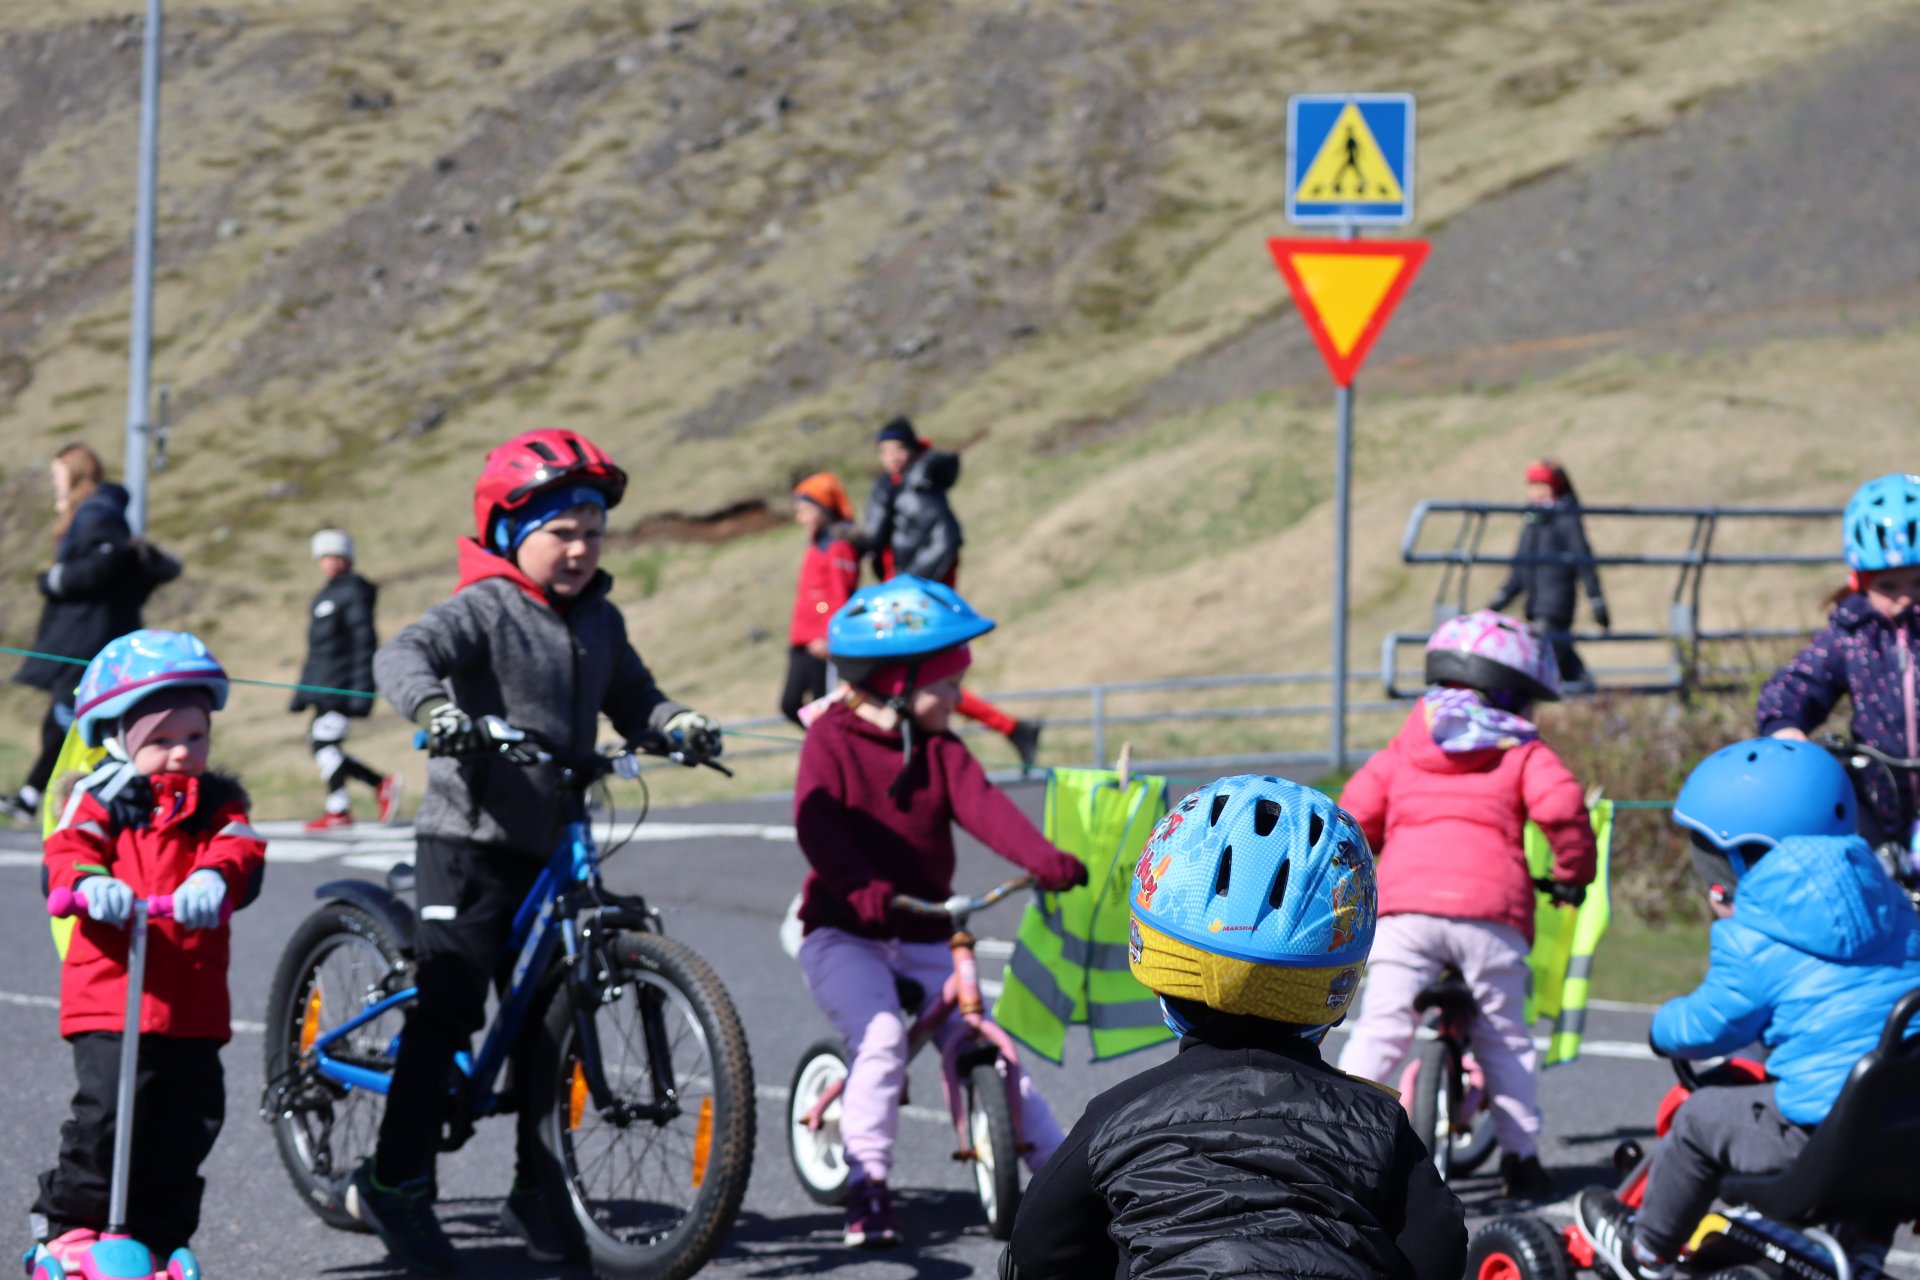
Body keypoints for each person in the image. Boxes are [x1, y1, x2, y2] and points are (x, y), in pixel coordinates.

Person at [346, 427, 726, 1276]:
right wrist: (438, 712)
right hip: (468, 840)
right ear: (513, 534)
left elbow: (636, 697)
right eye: (562, 533)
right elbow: (405, 653)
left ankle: (537, 1183)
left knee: (552, 1016)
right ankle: (394, 1181)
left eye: (594, 531)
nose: (581, 548)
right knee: (448, 1006)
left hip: (555, 841)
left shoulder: (601, 619)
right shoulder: (485, 606)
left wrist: (677, 724)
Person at [1003, 774, 1467, 1280]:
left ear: (1156, 952)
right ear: (1337, 970)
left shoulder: (1118, 1115)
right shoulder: (1376, 1121)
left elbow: (1034, 1250)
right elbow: (1439, 1250)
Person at [794, 575, 1088, 1248]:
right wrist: (856, 884)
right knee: (882, 1039)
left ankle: (1065, 1180)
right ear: (895, 682)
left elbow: (987, 809)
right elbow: (819, 829)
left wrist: (1046, 859)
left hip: (925, 930)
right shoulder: (831, 741)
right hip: (846, 931)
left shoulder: (940, 749)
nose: (959, 698)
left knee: (991, 1046)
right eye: (949, 684)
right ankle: (868, 1185)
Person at [1577, 737, 1920, 1280]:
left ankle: (1646, 1251)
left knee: (1698, 1119)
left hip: (1816, 1145)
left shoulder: (1755, 935)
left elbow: (1710, 1025)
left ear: (1741, 858)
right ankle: (1862, 1253)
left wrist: (1663, 1027)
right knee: (1865, 1114)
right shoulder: (1896, 905)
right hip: (1905, 1134)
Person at [27, 629, 266, 1276]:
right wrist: (89, 884)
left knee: (188, 1120)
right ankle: (69, 1228)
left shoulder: (218, 806)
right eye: (161, 739)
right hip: (110, 993)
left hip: (190, 997)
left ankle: (160, 1234)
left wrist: (214, 877)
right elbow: (67, 851)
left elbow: (240, 849)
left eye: (195, 736)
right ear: (118, 737)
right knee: (107, 1114)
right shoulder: (97, 799)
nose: (182, 752)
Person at [1334, 610, 1596, 1199]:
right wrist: (1571, 875)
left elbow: (1356, 812)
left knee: (1381, 1029)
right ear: (1511, 695)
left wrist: (1360, 861)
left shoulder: (1407, 745)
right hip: (1490, 917)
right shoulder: (1521, 750)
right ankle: (1522, 1159)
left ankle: (1335, 1144)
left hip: (1405, 914)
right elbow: (1562, 809)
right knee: (1505, 1040)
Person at [7, 445, 179, 823]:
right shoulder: (94, 510)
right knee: (64, 715)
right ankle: (38, 795)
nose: (55, 483)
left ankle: (87, 799)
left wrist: (55, 580)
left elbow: (103, 564)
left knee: (74, 718)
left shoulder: (96, 512)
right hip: (87, 633)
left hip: (88, 636)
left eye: (58, 475)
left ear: (75, 474)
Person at [861, 417, 1043, 768]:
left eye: (896, 449)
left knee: (924, 680)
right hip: (903, 592)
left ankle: (1005, 730)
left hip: (912, 596)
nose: (890, 457)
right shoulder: (898, 485)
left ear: (911, 450)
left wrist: (915, 588)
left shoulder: (919, 486)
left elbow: (945, 540)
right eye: (884, 451)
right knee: (922, 680)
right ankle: (1011, 728)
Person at [1757, 472, 1920, 852]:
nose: (1905, 598)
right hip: (1876, 801)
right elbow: (1798, 683)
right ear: (1859, 581)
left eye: (1918, 583)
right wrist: (1785, 725)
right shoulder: (1851, 635)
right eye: (1889, 586)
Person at [292, 528, 402, 830]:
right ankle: (379, 784)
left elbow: (364, 644)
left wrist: (361, 691)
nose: (330, 562)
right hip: (322, 686)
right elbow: (316, 651)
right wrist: (301, 693)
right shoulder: (323, 596)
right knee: (321, 744)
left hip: (342, 686)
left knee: (324, 743)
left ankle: (339, 808)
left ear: (348, 558)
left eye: (336, 555)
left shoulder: (354, 593)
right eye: (324, 556)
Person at [1487, 457, 1609, 692]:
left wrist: (1596, 599)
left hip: (1556, 606)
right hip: (1535, 607)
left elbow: (1583, 559)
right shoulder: (1532, 520)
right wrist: (1497, 602)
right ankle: (1595, 699)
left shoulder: (1565, 518)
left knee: (1539, 664)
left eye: (1543, 486)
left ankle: (1588, 699)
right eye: (1533, 487)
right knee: (1563, 662)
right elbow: (1520, 568)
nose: (1537, 492)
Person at [780, 473, 860, 726]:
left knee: (823, 706)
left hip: (820, 642)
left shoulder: (838, 546)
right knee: (790, 704)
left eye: (805, 511)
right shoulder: (817, 544)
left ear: (824, 509)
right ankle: (822, 743)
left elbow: (838, 597)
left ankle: (830, 744)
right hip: (801, 638)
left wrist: (826, 632)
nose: (800, 518)